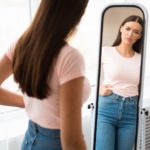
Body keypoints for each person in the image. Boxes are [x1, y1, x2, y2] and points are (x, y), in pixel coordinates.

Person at [0, 0, 91, 149]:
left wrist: (30, 102)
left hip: (30, 139)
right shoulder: (69, 57)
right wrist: (27, 102)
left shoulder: (21, 44)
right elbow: (71, 141)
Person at [95, 15, 144, 150]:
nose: (130, 34)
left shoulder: (142, 59)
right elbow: (86, 75)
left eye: (136, 32)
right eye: (128, 28)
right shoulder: (105, 51)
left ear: (139, 36)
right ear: (121, 28)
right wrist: (99, 88)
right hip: (107, 108)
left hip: (131, 111)